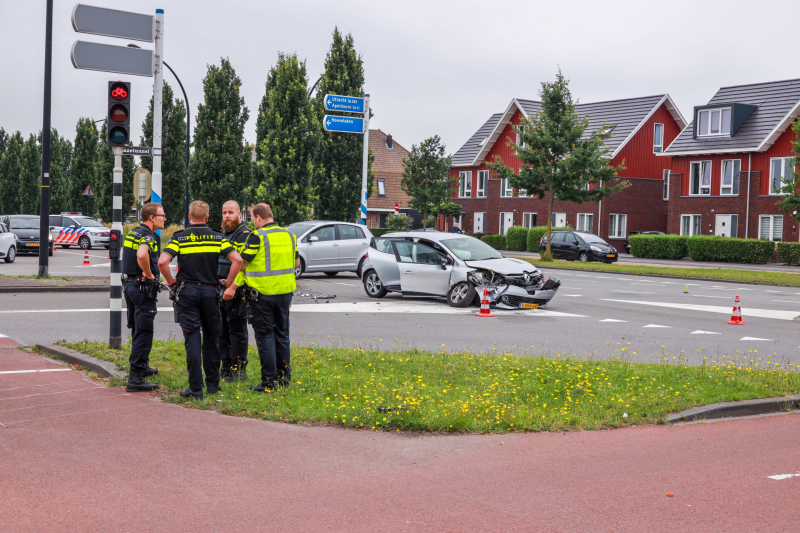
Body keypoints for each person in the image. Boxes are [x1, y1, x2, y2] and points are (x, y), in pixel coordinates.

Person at [158, 201, 242, 399]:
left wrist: (171, 282)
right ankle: (213, 384)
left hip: (188, 293)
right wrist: (228, 284)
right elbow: (237, 260)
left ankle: (195, 388)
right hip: (211, 293)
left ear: (189, 218)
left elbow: (162, 261)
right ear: (207, 218)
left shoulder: (180, 237)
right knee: (212, 339)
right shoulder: (217, 237)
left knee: (193, 338)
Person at [226, 203, 297, 392]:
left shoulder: (256, 237)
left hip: (263, 296)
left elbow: (242, 264)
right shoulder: (290, 235)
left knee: (265, 336)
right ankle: (284, 378)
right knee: (282, 335)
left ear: (258, 217)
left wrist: (232, 286)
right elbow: (296, 261)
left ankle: (269, 381)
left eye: (252, 218)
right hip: (285, 294)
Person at [122, 202, 166, 393]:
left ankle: (143, 367)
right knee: (144, 332)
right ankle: (136, 377)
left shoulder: (134, 232)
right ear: (151, 218)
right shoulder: (149, 236)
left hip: (130, 286)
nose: (164, 219)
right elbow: (142, 255)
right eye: (162, 215)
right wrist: (149, 274)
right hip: (142, 288)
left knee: (137, 329)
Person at [217, 200, 251, 382]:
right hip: (221, 289)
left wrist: (231, 286)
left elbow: (242, 265)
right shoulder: (223, 234)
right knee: (222, 330)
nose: (227, 216)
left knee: (237, 331)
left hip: (236, 290)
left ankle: (238, 369)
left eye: (230, 212)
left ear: (239, 214)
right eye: (224, 213)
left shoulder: (244, 235)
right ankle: (226, 367)